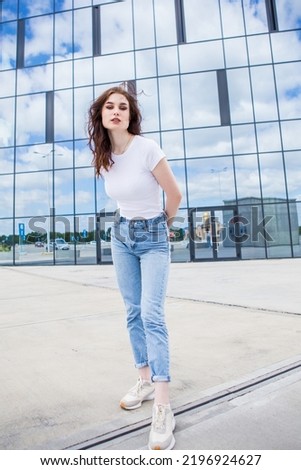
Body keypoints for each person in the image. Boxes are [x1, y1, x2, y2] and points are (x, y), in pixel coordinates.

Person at [88, 86, 182, 450]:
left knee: (152, 315)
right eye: (109, 107)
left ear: (130, 115)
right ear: (102, 116)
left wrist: (161, 227)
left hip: (153, 235)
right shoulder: (106, 155)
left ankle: (162, 403)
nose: (116, 111)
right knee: (132, 312)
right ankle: (143, 379)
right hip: (121, 236)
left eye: (122, 107)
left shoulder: (146, 148)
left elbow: (173, 195)